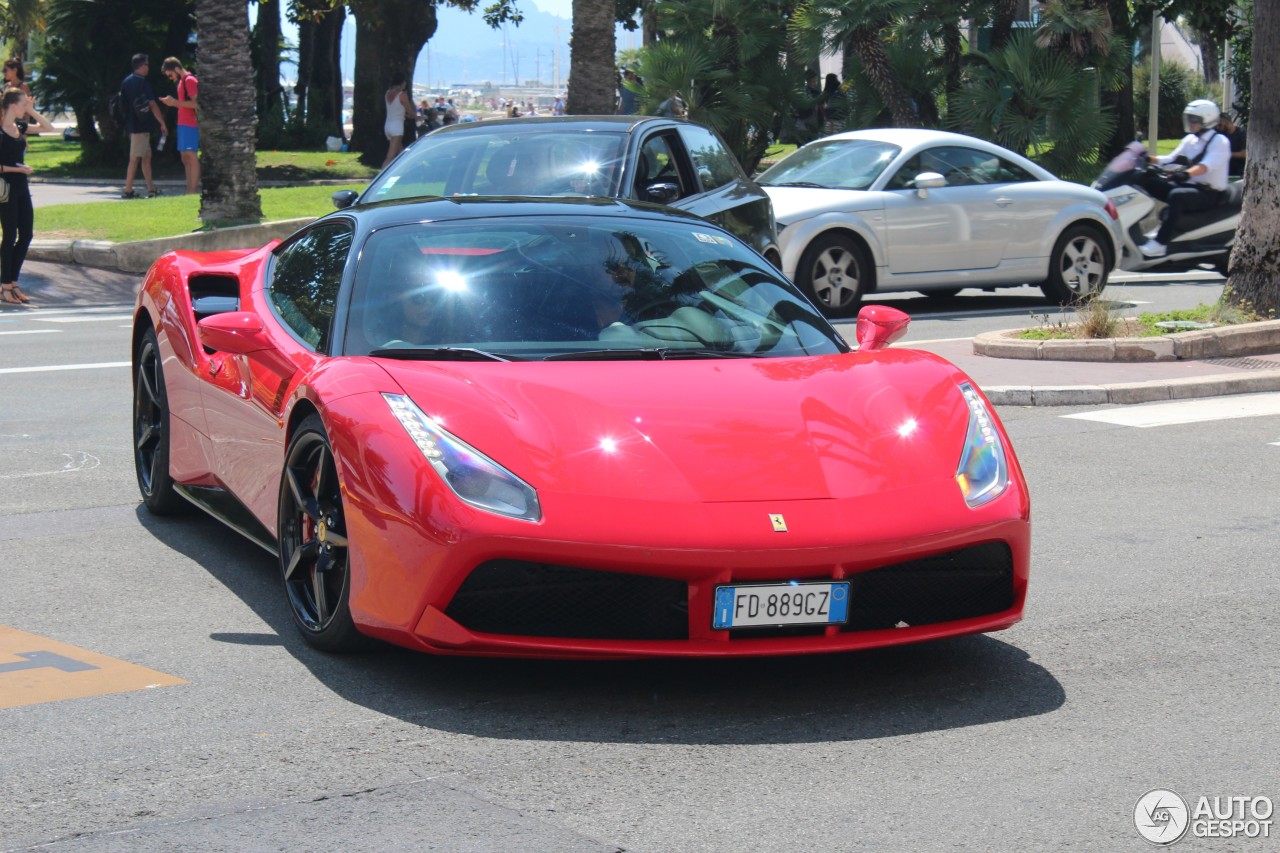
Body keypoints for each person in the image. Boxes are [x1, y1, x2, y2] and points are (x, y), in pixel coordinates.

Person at [1137, 99, 1231, 258]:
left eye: (1194, 120)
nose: (1191, 123)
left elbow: (1205, 166)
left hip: (1209, 193)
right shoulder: (1190, 140)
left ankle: (1160, 243)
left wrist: (1186, 174)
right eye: (1189, 119)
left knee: (1177, 196)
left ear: (1207, 120)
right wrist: (1146, 159)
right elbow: (1171, 159)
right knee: (1147, 182)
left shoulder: (1220, 142)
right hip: (1189, 187)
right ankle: (1139, 231)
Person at [1, 88, 55, 305]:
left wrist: (32, 111)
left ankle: (13, 282)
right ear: (13, 105)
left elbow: (48, 127)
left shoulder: (20, 126)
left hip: (22, 187)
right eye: (24, 103)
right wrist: (17, 170)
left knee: (26, 234)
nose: (26, 106)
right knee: (10, 236)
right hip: (5, 189)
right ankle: (5, 286)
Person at [119, 53, 168, 199]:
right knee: (135, 158)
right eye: (147, 65)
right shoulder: (143, 83)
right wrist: (162, 123)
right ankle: (128, 190)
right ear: (141, 66)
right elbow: (152, 105)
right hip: (140, 126)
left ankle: (151, 189)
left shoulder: (126, 81)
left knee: (146, 157)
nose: (148, 68)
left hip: (132, 125)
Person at [158, 58, 199, 194]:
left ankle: (192, 191)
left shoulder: (189, 80)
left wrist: (174, 102)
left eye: (170, 75)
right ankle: (189, 190)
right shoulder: (182, 82)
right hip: (183, 123)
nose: (170, 78)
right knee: (185, 158)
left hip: (191, 123)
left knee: (191, 156)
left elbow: (196, 104)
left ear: (176, 69)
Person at [382, 73, 413, 169]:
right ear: (402, 83)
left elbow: (396, 109)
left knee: (401, 153)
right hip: (397, 127)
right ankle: (380, 176)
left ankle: (403, 171)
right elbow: (410, 112)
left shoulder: (387, 93)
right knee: (390, 157)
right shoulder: (402, 95)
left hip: (388, 125)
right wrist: (419, 116)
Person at [1218, 113, 1247, 179]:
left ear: (1226, 123)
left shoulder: (1242, 133)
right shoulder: (1221, 134)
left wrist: (1227, 154)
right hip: (1226, 173)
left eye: (1220, 125)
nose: (1219, 128)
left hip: (1239, 173)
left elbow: (1244, 153)